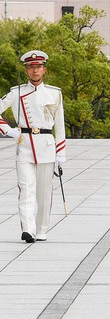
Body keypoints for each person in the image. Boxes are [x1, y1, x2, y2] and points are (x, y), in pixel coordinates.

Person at [0, 50, 66, 243]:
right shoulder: (16, 92)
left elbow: (60, 125)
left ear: (44, 69)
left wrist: (61, 152)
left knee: (44, 193)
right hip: (25, 145)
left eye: (38, 67)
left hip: (46, 145)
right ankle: (27, 229)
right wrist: (8, 130)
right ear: (26, 70)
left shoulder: (54, 93)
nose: (34, 71)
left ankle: (41, 229)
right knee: (26, 189)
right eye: (31, 67)